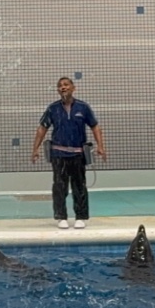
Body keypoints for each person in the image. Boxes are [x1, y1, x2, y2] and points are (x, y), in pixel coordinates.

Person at [29, 76, 106, 229]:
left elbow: (95, 127)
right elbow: (42, 129)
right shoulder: (53, 108)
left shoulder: (83, 108)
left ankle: (80, 216)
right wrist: (35, 149)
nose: (62, 87)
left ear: (73, 87)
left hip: (78, 155)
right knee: (59, 186)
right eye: (60, 86)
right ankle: (61, 216)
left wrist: (100, 146)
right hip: (59, 154)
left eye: (66, 85)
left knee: (79, 186)